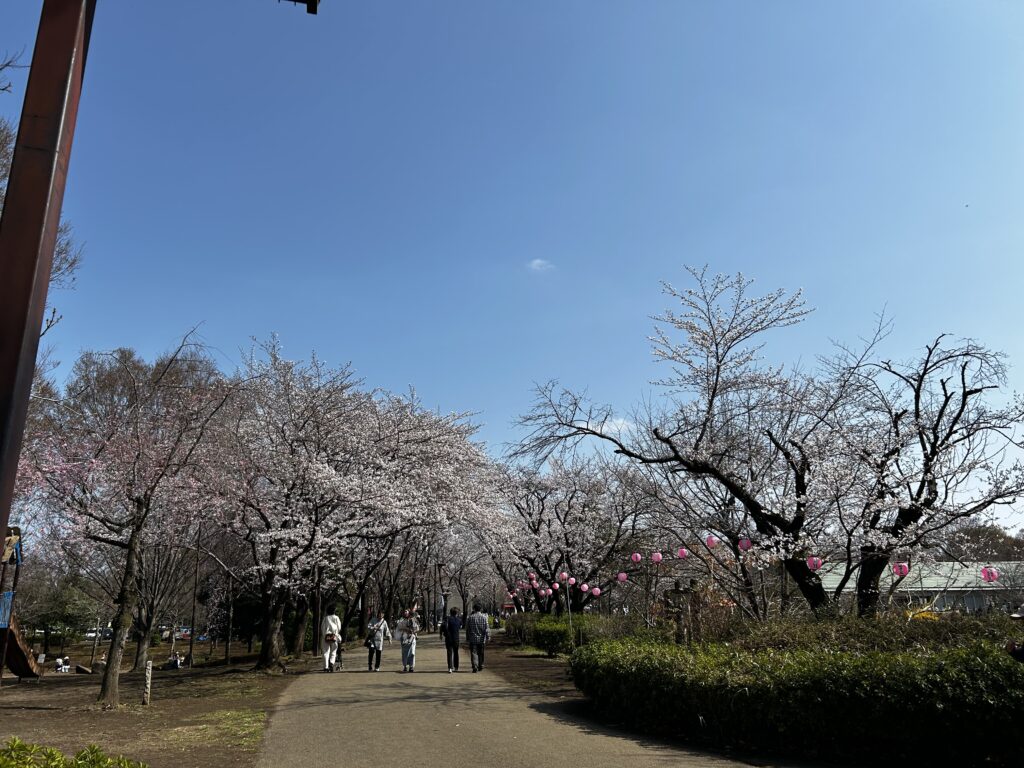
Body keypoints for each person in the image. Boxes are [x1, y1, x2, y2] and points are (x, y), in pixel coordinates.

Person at [465, 604, 490, 673]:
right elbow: (486, 628)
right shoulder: (484, 617)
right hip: (482, 638)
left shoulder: (470, 617)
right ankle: (481, 664)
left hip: (472, 638)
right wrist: (488, 637)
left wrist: (467, 638)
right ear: (480, 609)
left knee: (473, 653)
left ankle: (474, 666)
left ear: (474, 609)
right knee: (481, 652)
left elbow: (468, 629)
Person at [321, 603, 343, 673]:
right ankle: (331, 662)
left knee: (325, 652)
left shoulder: (325, 618)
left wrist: (324, 635)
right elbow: (339, 627)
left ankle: (326, 667)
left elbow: (322, 627)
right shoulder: (336, 618)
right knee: (333, 651)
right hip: (334, 636)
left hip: (326, 637)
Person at [442, 607, 462, 673]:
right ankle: (456, 667)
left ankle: (450, 667)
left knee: (449, 653)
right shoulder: (459, 620)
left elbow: (444, 627)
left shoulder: (448, 619)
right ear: (457, 613)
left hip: (449, 638)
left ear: (450, 612)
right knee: (456, 652)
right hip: (456, 638)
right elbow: (460, 627)